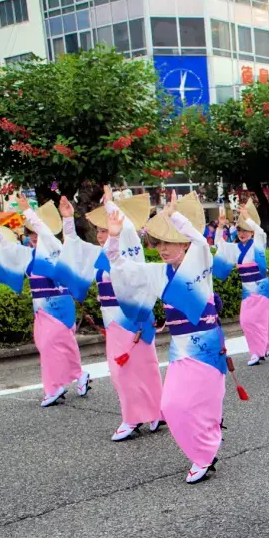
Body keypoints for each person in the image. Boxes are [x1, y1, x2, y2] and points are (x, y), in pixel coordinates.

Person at [104, 192, 224, 484]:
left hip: (207, 348)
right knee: (172, 406)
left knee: (206, 404)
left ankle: (205, 454)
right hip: (180, 351)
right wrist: (114, 237)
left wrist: (174, 217)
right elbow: (121, 267)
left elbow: (201, 242)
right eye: (159, 243)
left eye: (169, 243)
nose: (162, 249)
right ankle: (203, 450)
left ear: (184, 244)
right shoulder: (159, 273)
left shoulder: (200, 265)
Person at [55, 188, 163, 441]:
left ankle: (134, 417)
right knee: (138, 367)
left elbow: (121, 240)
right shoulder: (103, 254)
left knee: (128, 369)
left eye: (105, 229)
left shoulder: (128, 251)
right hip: (115, 320)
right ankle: (155, 411)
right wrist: (68, 219)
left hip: (130, 318)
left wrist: (111, 206)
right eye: (100, 230)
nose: (100, 234)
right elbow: (74, 246)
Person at [0, 195, 91, 407]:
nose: (35, 237)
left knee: (51, 344)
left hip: (60, 306)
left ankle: (54, 387)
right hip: (41, 309)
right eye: (31, 234)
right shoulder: (27, 255)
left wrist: (28, 211)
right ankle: (80, 374)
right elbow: (3, 246)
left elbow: (46, 233)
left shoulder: (56, 250)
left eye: (37, 233)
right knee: (56, 345)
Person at [213, 200, 269, 366]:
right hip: (248, 290)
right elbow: (219, 245)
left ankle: (257, 352)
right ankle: (265, 346)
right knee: (246, 320)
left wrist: (248, 218)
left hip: (261, 288)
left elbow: (260, 232)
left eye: (246, 230)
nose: (242, 233)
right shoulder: (235, 249)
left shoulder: (257, 243)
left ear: (251, 232)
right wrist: (220, 227)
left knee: (259, 321)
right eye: (239, 229)